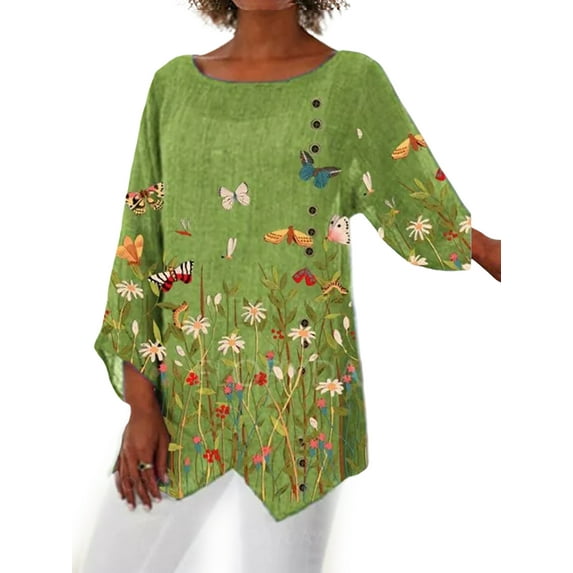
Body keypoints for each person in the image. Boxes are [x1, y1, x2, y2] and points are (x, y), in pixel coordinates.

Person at [80, 0, 502, 571]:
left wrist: (505, 258)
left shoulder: (351, 82)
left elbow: (416, 201)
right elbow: (141, 242)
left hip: (300, 403)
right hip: (184, 402)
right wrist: (141, 404)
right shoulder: (172, 87)